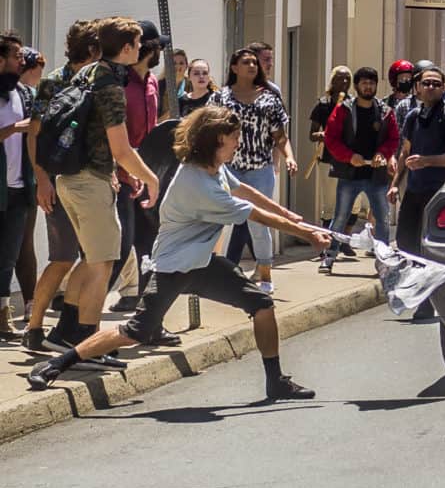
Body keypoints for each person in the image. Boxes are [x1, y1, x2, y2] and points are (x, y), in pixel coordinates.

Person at [27, 106, 331, 398]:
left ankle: (275, 381)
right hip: (174, 267)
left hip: (202, 262)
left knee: (262, 305)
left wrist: (291, 216)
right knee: (134, 331)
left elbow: (244, 191)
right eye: (235, 137)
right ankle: (56, 364)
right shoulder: (198, 183)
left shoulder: (215, 169)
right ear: (217, 139)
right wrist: (309, 234)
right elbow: (255, 214)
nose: (238, 142)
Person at [42, 17, 162, 367]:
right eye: (138, 45)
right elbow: (122, 148)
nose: (141, 50)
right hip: (89, 182)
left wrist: (115, 171)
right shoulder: (110, 85)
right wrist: (151, 178)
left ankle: (66, 335)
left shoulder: (88, 73)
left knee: (92, 260)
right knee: (103, 264)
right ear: (126, 49)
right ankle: (89, 347)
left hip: (72, 178)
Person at [22, 21, 100, 352]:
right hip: (58, 180)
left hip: (91, 181)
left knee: (95, 256)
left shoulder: (100, 80)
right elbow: (35, 133)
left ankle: (79, 327)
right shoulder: (54, 82)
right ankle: (35, 326)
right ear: (93, 49)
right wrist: (41, 179)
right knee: (63, 257)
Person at [210, 47, 297, 294]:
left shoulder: (269, 99)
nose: (251, 66)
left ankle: (265, 274)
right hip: (228, 168)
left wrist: (289, 157)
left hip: (259, 169)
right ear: (234, 67)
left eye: (254, 63)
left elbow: (280, 136)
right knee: (216, 220)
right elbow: (206, 127)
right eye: (245, 62)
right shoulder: (220, 98)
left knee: (259, 224)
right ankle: (212, 271)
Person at [387, 65, 445, 320]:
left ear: (444, 88)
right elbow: (405, 152)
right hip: (415, 189)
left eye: (436, 84)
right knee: (406, 243)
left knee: (430, 248)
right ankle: (423, 294)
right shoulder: (412, 116)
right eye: (426, 83)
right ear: (418, 87)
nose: (431, 87)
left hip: (440, 193)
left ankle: (429, 301)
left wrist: (428, 161)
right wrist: (395, 183)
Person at [106, 21, 169, 324]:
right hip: (120, 175)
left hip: (146, 174)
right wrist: (124, 171)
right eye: (159, 47)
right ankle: (80, 316)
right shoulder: (120, 84)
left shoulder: (153, 83)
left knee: (149, 244)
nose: (161, 53)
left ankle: (148, 319)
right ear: (149, 50)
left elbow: (154, 129)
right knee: (120, 244)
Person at [320, 67, 398, 272]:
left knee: (382, 219)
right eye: (364, 83)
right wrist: (348, 156)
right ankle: (328, 257)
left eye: (371, 83)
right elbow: (331, 138)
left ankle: (383, 261)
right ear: (357, 86)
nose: (368, 86)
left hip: (376, 175)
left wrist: (382, 153)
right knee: (340, 217)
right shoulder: (343, 109)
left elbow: (393, 139)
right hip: (350, 174)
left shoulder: (385, 112)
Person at [0, 31, 32, 339]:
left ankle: (3, 314)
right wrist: (12, 129)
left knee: (9, 255)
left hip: (19, 188)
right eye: (16, 57)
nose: (21, 62)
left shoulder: (23, 93)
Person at [310, 65, 356, 257]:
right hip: (329, 158)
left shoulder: (355, 104)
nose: (343, 83)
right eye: (340, 79)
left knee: (353, 204)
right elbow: (312, 135)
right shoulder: (323, 104)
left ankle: (344, 239)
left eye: (347, 79)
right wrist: (325, 135)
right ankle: (327, 243)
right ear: (332, 81)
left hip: (350, 160)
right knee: (329, 205)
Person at [14, 47, 44, 324]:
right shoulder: (13, 93)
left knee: (25, 246)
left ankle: (29, 303)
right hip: (13, 179)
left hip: (26, 179)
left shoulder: (30, 95)